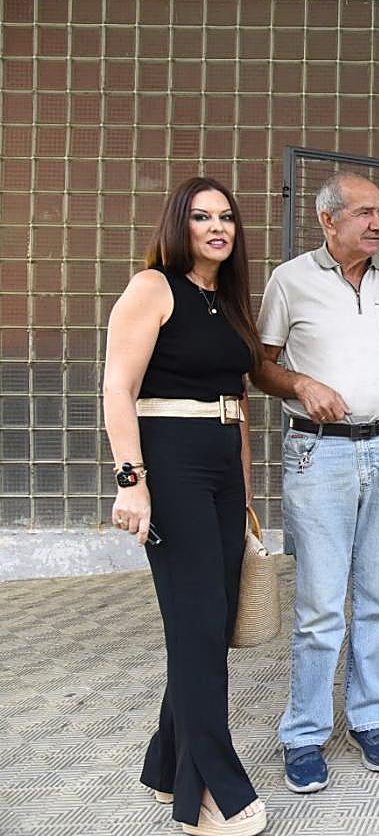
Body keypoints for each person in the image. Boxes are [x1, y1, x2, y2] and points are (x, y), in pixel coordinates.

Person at [102, 177, 266, 835]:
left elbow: (238, 401)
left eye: (225, 217)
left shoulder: (226, 300)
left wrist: (245, 496)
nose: (216, 227)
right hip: (170, 464)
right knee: (197, 626)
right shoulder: (154, 287)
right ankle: (213, 790)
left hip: (222, 469)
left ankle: (166, 766)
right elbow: (118, 387)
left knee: (210, 623)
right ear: (181, 224)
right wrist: (130, 479)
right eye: (202, 217)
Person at [254, 171, 379, 793]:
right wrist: (301, 384)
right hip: (317, 452)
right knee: (320, 606)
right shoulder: (289, 280)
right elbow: (261, 368)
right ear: (328, 220)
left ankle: (370, 718)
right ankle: (304, 732)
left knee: (378, 598)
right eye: (364, 213)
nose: (378, 223)